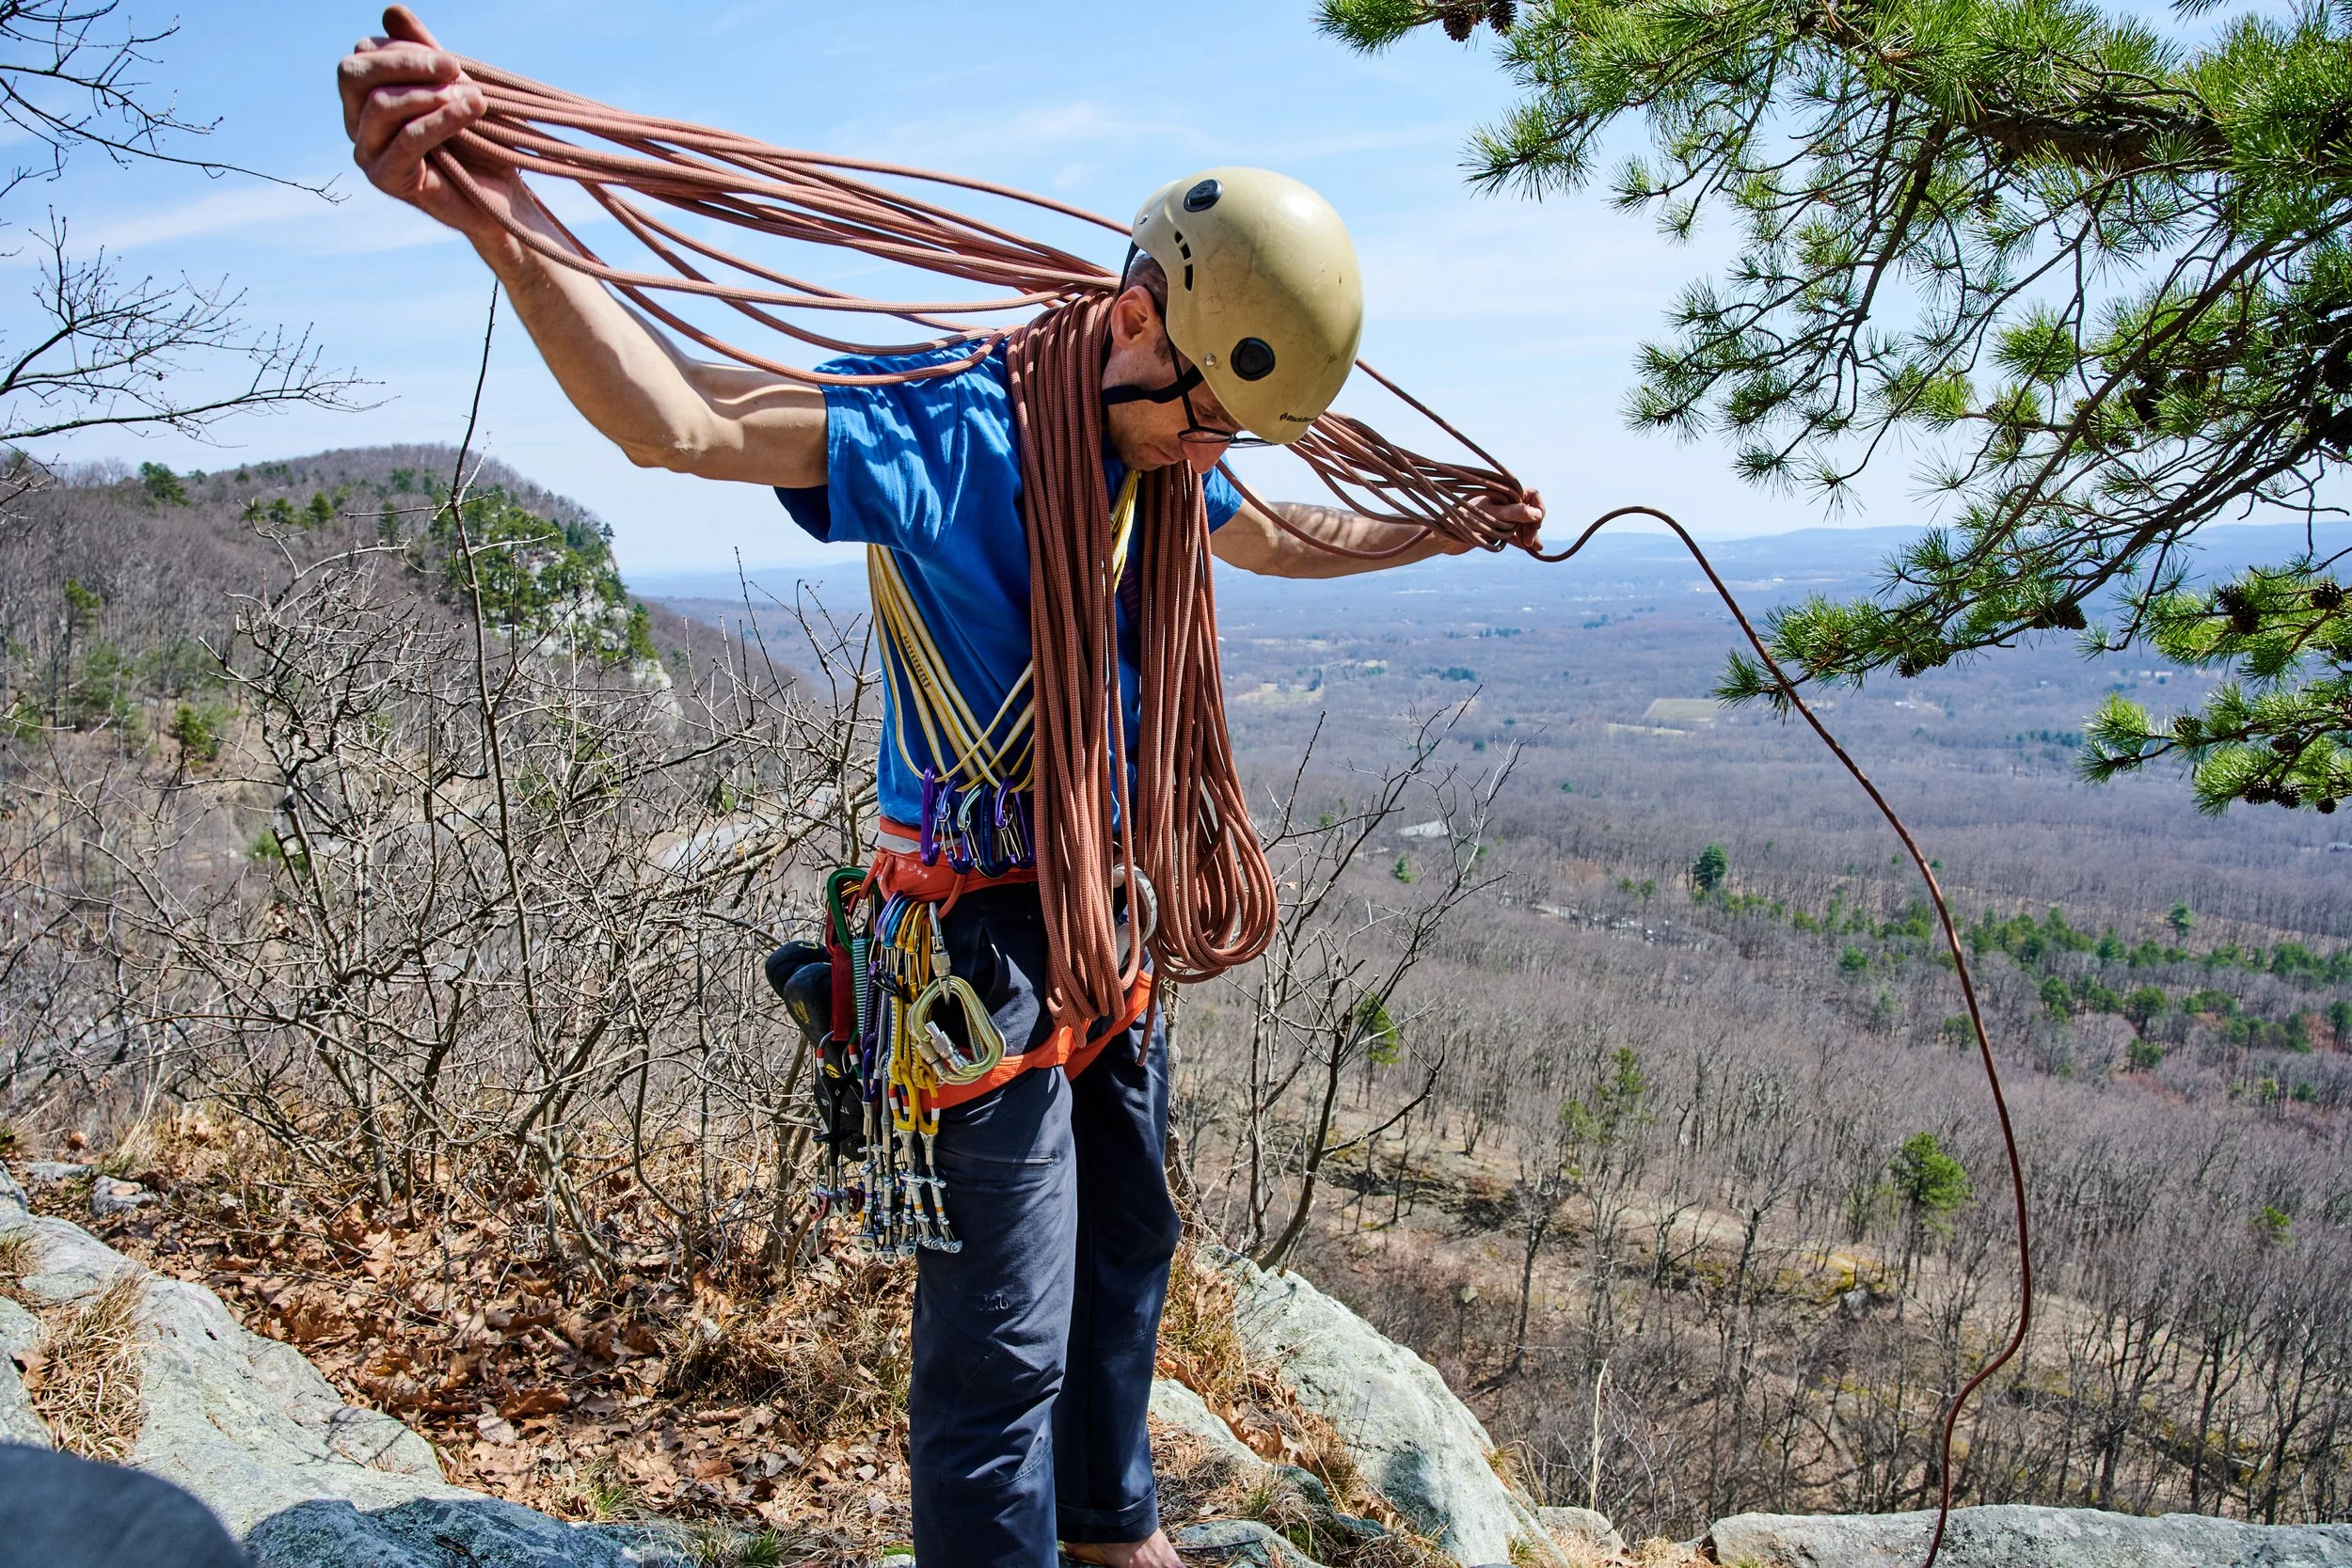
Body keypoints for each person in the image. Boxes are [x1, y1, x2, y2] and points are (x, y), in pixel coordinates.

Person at [338, 14, 1542, 1568]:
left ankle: (1108, 1527)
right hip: (974, 940)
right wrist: (498, 213)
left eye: (1228, 436)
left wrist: (1441, 526)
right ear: (1134, 319)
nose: (1205, 457)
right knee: (1002, 1333)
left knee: (1128, 1242)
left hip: (1104, 913)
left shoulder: (1168, 451)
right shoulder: (955, 424)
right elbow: (677, 418)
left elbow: (1276, 537)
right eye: (1201, 420)